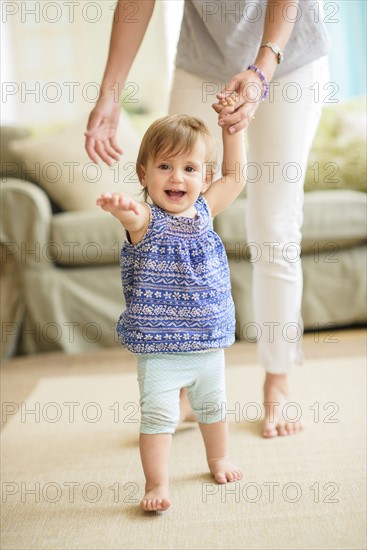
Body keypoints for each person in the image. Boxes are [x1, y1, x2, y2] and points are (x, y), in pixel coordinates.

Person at [85, 0, 331, 438]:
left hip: (287, 57)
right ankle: (182, 389)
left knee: (274, 230)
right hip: (202, 57)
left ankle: (278, 382)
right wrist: (109, 93)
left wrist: (261, 69)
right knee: (174, 220)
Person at [96, 111, 246, 511]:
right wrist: (120, 207)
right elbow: (133, 214)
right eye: (164, 166)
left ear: (204, 176)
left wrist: (235, 132)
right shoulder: (147, 220)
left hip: (208, 343)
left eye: (189, 168)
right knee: (159, 418)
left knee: (214, 409)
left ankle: (219, 459)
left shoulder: (205, 212)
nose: (177, 177)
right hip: (161, 352)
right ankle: (156, 484)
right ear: (144, 174)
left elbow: (235, 178)